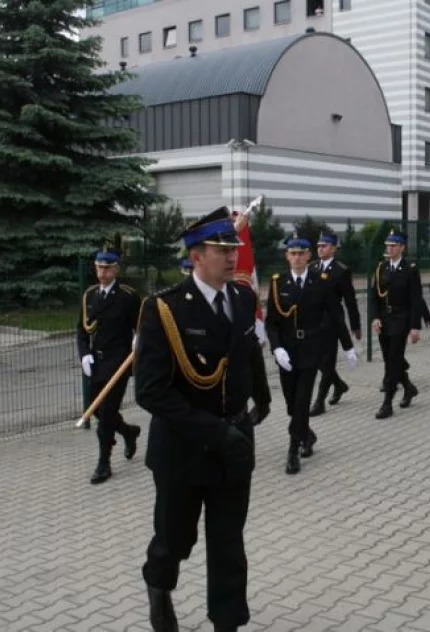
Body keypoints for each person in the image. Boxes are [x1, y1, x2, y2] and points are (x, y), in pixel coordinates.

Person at [134, 206, 272, 632]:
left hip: (234, 442)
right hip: (183, 449)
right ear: (196, 256)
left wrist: (262, 394)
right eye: (221, 250)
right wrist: (215, 432)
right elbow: (150, 391)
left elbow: (246, 350)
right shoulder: (163, 309)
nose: (232, 257)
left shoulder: (243, 297)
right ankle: (159, 589)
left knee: (229, 544)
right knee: (174, 540)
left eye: (234, 248)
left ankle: (227, 622)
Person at [266, 234, 356, 475]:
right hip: (286, 352)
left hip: (310, 349)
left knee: (302, 401)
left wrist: (348, 346)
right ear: (287, 256)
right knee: (291, 405)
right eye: (293, 253)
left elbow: (336, 316)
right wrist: (276, 347)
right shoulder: (277, 283)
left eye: (301, 253)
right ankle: (308, 435)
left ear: (308, 256)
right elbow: (272, 322)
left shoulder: (321, 282)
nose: (297, 257)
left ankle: (293, 449)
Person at [76, 245, 142, 485]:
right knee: (96, 410)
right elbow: (82, 330)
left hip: (119, 363)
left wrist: (138, 339)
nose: (102, 273)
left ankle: (103, 464)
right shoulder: (90, 295)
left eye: (107, 268)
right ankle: (128, 432)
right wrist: (84, 355)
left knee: (106, 415)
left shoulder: (127, 296)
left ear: (116, 269)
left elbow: (141, 325)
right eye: (99, 268)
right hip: (96, 361)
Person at [371, 230, 422, 419]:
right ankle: (408, 387)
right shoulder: (382, 268)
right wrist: (375, 317)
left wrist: (415, 327)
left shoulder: (410, 269)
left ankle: (387, 403)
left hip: (401, 319)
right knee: (390, 359)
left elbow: (415, 299)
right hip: (385, 319)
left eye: (393, 246)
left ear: (402, 247)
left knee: (393, 360)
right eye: (388, 246)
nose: (390, 249)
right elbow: (375, 296)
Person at [309, 232, 361, 417]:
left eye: (324, 246)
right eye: (318, 246)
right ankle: (339, 385)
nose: (320, 249)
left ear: (333, 248)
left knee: (328, 361)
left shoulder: (341, 270)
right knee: (317, 360)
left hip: (332, 322)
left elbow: (350, 300)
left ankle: (319, 401)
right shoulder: (312, 267)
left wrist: (355, 325)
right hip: (313, 322)